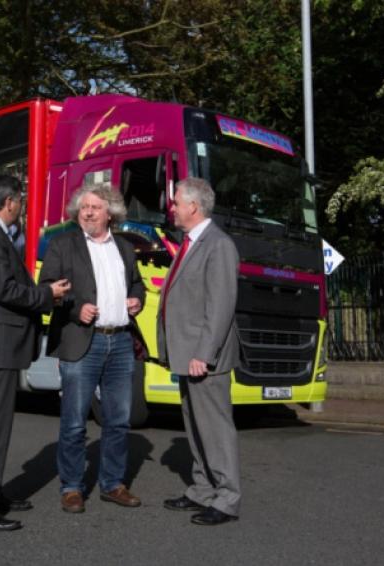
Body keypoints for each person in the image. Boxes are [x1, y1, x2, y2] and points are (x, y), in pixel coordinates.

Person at [0, 174, 70, 532]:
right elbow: (4, 289)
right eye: (20, 201)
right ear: (9, 202)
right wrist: (46, 295)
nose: (21, 207)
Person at [39, 183, 145, 514]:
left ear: (110, 212)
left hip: (121, 342)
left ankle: (112, 483)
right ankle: (71, 487)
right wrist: (74, 309)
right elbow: (46, 288)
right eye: (83, 207)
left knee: (118, 420)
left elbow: (137, 283)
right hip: (82, 340)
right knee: (74, 422)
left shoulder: (125, 248)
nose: (86, 212)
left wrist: (137, 300)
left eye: (94, 207)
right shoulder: (63, 244)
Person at [158, 177, 241, 526]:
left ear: (194, 206)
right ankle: (202, 490)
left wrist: (203, 354)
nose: (172, 208)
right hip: (188, 356)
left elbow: (220, 306)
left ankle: (226, 499)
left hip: (203, 358)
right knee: (196, 427)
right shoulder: (192, 242)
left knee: (215, 429)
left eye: (176, 202)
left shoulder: (217, 245)